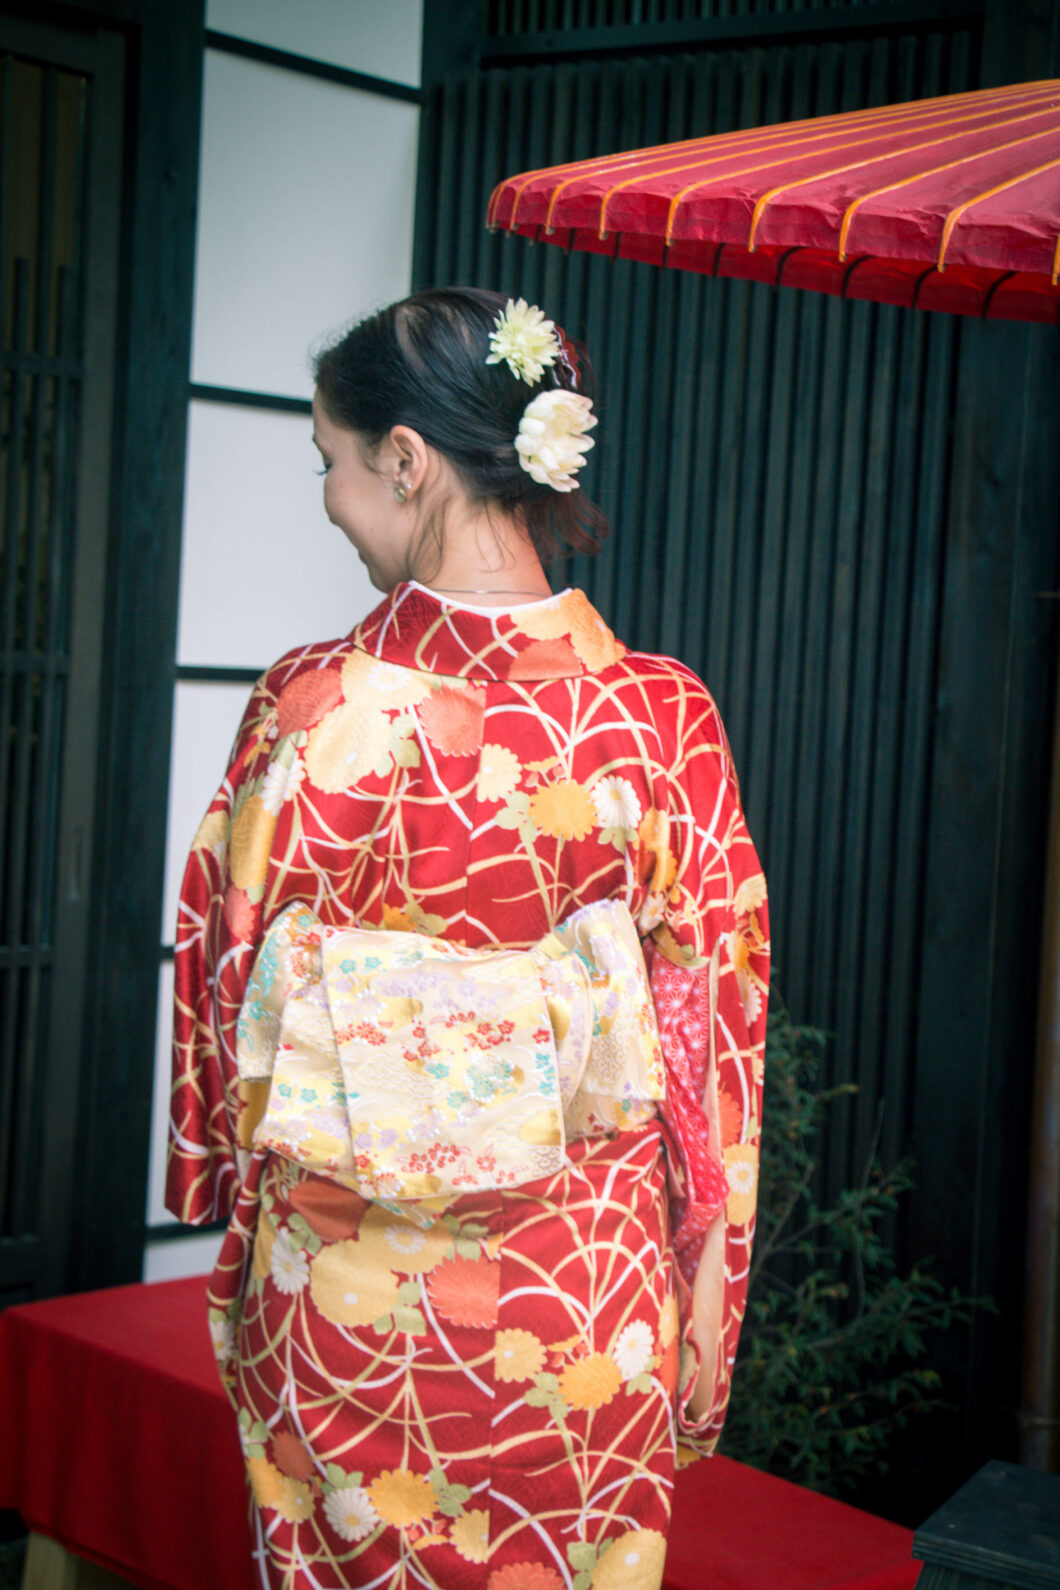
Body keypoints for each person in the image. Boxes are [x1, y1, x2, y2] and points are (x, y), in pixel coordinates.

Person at [167, 287, 769, 1590]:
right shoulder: (661, 718)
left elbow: (222, 976)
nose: (328, 499)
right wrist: (702, 1303)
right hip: (583, 1301)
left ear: (405, 458)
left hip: (347, 1297)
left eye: (331, 462)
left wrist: (209, 1168)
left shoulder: (311, 706)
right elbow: (712, 1029)